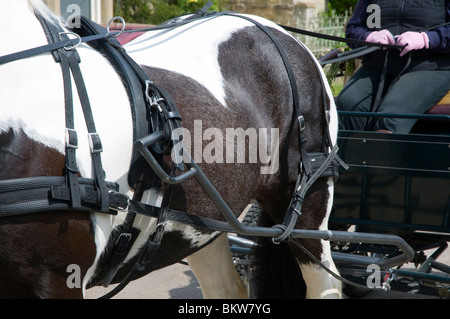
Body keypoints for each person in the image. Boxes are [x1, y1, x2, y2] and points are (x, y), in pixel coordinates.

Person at [336, 0, 450, 133]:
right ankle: (347, 151)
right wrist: (369, 36)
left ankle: (383, 152)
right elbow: (353, 29)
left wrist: (427, 39)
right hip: (377, 65)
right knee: (348, 103)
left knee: (391, 115)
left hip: (428, 66)